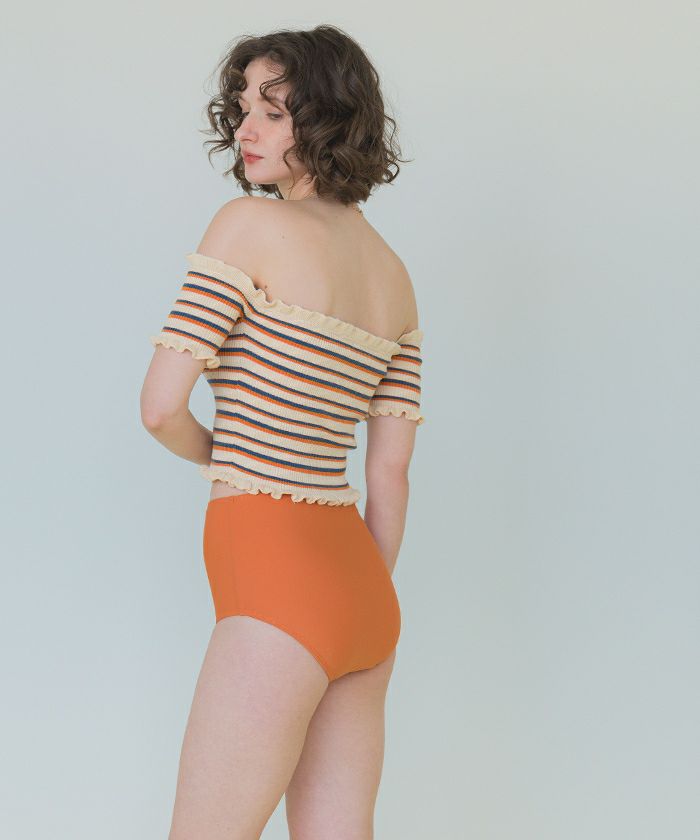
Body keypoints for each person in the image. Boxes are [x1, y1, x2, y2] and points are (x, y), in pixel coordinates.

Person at [140, 24, 424, 840]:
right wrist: (353, 593)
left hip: (277, 577)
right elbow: (390, 475)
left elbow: (160, 408)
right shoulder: (395, 277)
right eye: (242, 108)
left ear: (328, 120)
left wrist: (228, 462)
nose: (246, 129)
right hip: (365, 595)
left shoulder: (247, 226)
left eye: (274, 110)